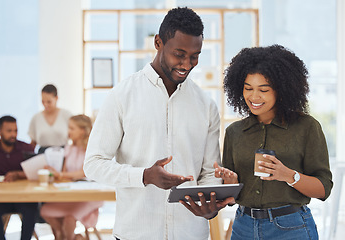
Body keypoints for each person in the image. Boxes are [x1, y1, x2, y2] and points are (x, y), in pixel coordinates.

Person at [84, 7, 234, 240]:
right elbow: (93, 164)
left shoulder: (206, 105)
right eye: (179, 54)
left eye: (195, 56)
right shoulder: (122, 96)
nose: (187, 64)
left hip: (191, 234)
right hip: (135, 233)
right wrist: (144, 176)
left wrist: (210, 207)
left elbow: (209, 173)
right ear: (158, 42)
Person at [216, 45, 333, 240]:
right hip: (243, 227)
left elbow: (323, 189)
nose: (254, 97)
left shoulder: (307, 127)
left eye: (263, 90)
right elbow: (232, 196)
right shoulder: (234, 132)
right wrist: (229, 183)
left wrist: (287, 175)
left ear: (282, 89)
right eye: (248, 88)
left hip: (291, 228)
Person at [40, 114, 104, 240]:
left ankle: (67, 237)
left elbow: (84, 173)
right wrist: (55, 172)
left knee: (69, 218)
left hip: (90, 196)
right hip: (72, 194)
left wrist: (62, 174)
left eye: (72, 128)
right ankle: (64, 235)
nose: (68, 132)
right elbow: (64, 174)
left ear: (82, 131)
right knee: (45, 210)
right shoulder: (69, 148)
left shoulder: (92, 150)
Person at [28, 84, 72, 153]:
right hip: (42, 156)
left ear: (56, 98)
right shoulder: (36, 118)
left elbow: (75, 138)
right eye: (43, 101)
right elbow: (33, 143)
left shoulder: (67, 115)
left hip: (63, 154)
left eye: (49, 102)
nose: (45, 105)